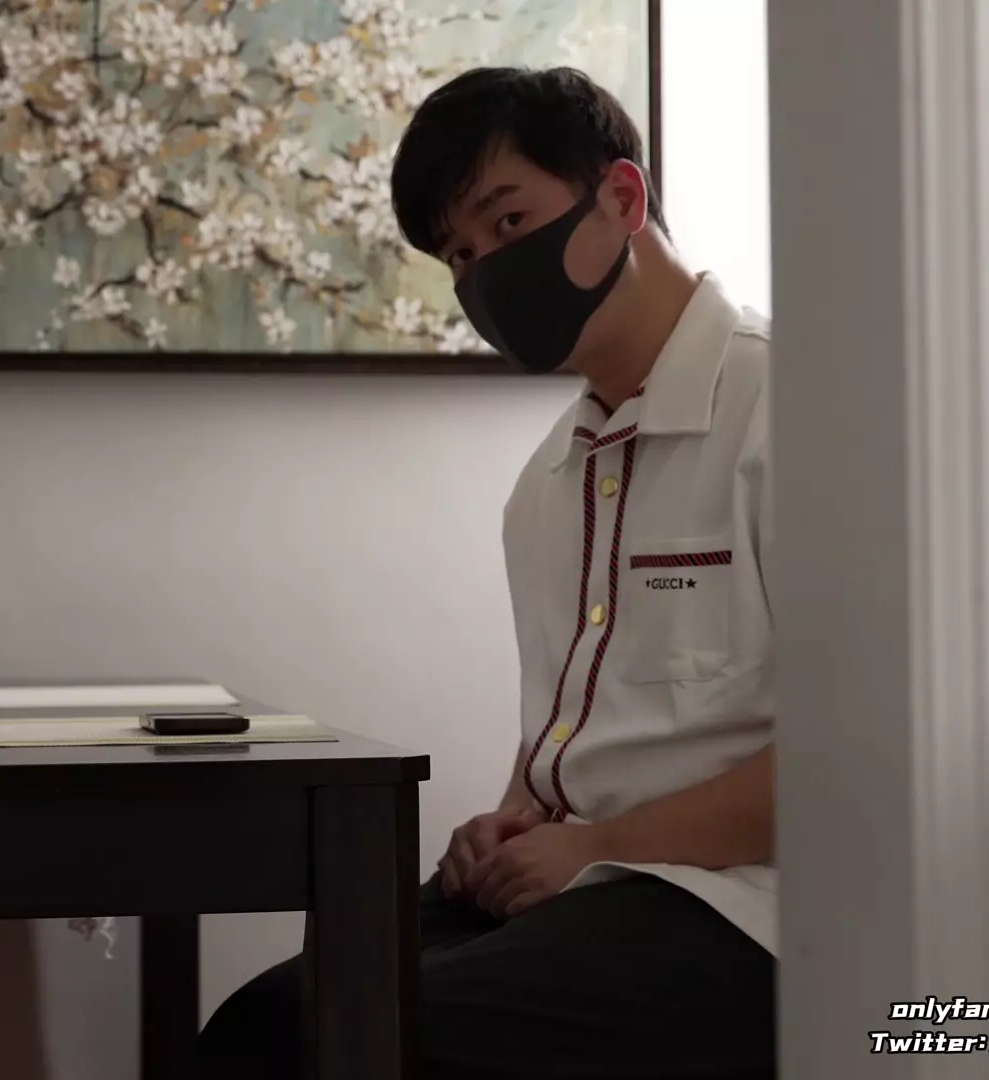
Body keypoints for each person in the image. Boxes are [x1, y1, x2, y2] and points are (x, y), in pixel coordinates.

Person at [200, 66, 777, 1080]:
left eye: (509, 223)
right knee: (257, 1025)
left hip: (744, 904)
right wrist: (513, 822)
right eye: (460, 255)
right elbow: (573, 725)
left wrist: (599, 846)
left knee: (327, 1041)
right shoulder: (550, 483)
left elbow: (865, 761)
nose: (487, 274)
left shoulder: (789, 412)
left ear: (622, 197)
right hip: (588, 880)